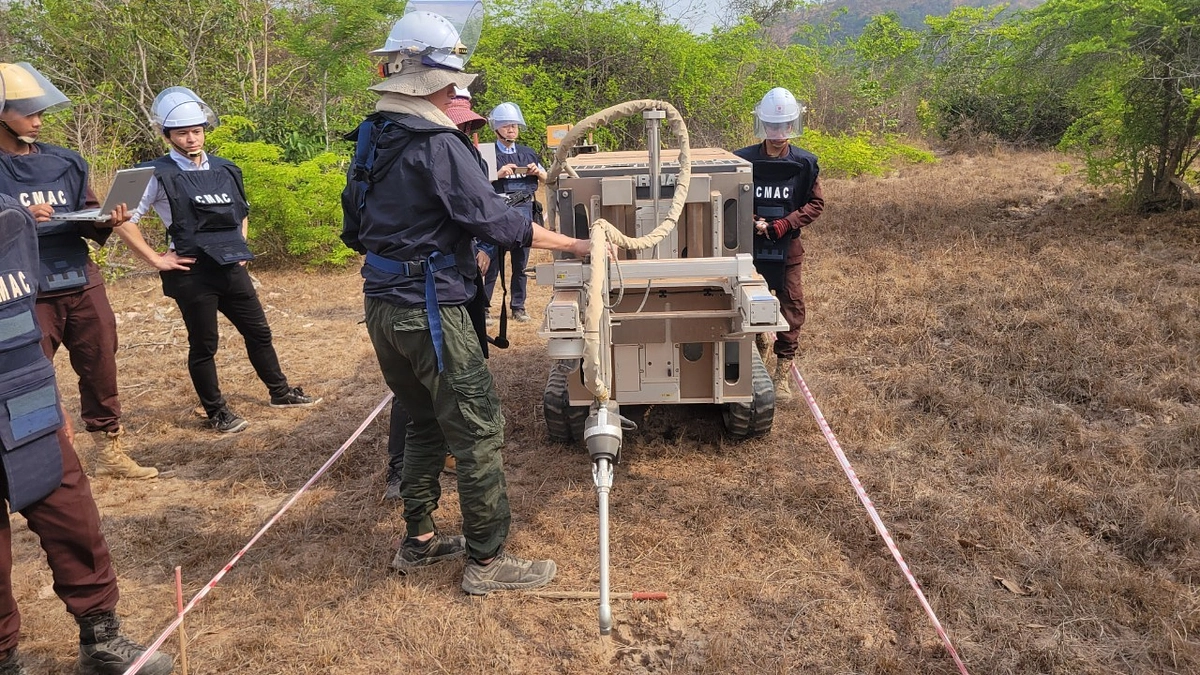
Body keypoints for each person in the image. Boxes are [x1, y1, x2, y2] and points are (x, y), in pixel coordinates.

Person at [340, 7, 596, 595]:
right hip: (432, 309)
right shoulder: (438, 143)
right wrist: (576, 243)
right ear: (434, 80)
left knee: (424, 421)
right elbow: (501, 225)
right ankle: (487, 562)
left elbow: (353, 231)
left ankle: (420, 541)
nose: (459, 88)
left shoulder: (371, 136)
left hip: (382, 304)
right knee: (478, 429)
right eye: (455, 78)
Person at [0, 191, 173, 675]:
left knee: (74, 518)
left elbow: (20, 324)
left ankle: (101, 639)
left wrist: (49, 399)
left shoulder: (11, 219)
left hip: (28, 400)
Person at [112, 87, 320, 434]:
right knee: (205, 344)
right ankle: (217, 412)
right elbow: (118, 219)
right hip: (192, 273)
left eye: (197, 130)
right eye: (182, 132)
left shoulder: (227, 168)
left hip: (230, 268)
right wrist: (155, 259)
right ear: (167, 135)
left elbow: (242, 211)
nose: (192, 138)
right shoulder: (150, 172)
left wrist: (239, 246)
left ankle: (280, 392)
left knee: (259, 333)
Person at [0, 62, 159, 479]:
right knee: (29, 376)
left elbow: (86, 208)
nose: (38, 121)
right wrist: (18, 214)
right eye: (28, 112)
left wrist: (106, 217)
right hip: (22, 289)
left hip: (78, 277)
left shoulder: (65, 161)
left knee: (100, 360)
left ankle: (108, 450)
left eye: (40, 113)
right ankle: (40, 461)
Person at [379, 85, 487, 500]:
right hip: (422, 292)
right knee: (416, 391)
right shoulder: (419, 150)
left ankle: (448, 453)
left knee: (463, 372)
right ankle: (400, 470)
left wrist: (482, 249)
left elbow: (479, 214)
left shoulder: (466, 155)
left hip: (459, 282)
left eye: (470, 126)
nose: (464, 131)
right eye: (458, 123)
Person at [733, 88, 824, 401]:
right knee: (745, 301)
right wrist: (754, 218)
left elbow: (815, 204)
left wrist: (785, 223)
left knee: (792, 306)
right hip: (748, 250)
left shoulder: (805, 163)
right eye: (772, 127)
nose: (777, 134)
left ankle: (782, 371)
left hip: (788, 251)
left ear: (792, 126)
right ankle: (756, 348)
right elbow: (730, 197)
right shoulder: (742, 159)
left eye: (783, 127)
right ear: (762, 125)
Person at [483, 101, 547, 324]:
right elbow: (476, 183)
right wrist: (497, 174)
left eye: (515, 125)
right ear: (496, 128)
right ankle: (484, 307)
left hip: (523, 214)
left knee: (521, 265)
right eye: (507, 125)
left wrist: (538, 172)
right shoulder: (486, 153)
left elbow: (549, 179)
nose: (512, 129)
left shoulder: (527, 153)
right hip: (498, 215)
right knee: (491, 264)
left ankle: (518, 307)